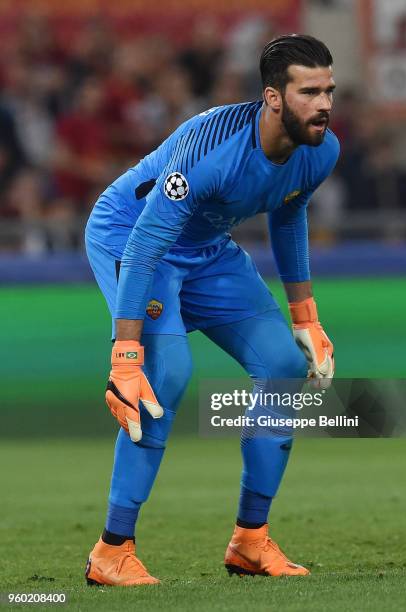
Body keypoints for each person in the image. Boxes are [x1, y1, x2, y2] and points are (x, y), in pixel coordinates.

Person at [84, 34, 338, 586]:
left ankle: (250, 541)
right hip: (130, 235)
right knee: (164, 378)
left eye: (329, 90)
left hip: (205, 250)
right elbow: (147, 244)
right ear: (273, 97)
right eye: (310, 92)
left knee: (284, 365)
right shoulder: (211, 149)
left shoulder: (321, 149)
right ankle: (111, 551)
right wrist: (125, 356)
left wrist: (305, 316)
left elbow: (288, 212)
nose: (324, 104)